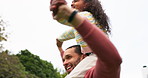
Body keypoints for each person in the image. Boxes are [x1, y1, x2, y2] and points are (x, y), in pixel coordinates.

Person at [50, 0, 122, 78]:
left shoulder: (86, 15)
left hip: (95, 55)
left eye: (76, 1)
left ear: (87, 4)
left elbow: (72, 19)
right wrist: (60, 40)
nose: (72, 3)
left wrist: (63, 14)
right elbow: (71, 32)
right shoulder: (89, 20)